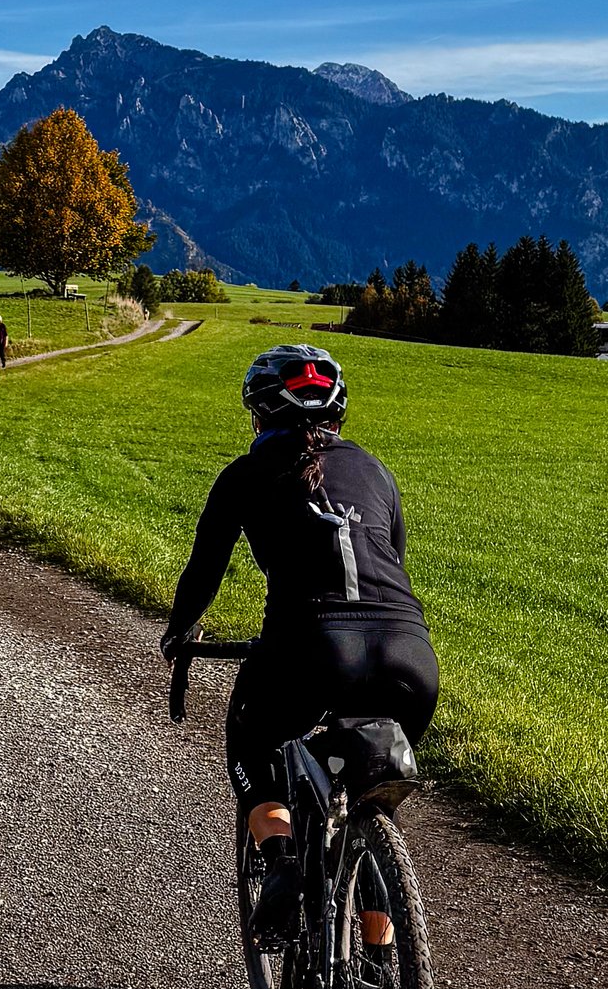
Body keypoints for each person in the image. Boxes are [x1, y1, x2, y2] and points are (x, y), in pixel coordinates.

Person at [158, 345, 438, 936]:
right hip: (409, 655)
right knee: (369, 798)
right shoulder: (376, 469)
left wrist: (180, 634)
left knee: (252, 740)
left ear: (258, 415)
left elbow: (204, 572)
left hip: (309, 648)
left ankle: (282, 862)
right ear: (339, 413)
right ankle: (385, 959)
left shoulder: (244, 475)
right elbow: (393, 557)